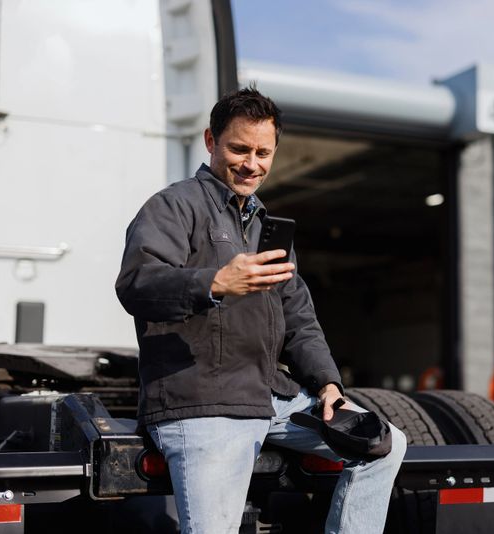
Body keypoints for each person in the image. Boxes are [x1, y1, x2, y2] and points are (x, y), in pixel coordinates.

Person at [116, 86, 406, 533]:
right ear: (211, 141)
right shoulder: (173, 207)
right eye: (239, 149)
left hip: (269, 398)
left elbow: (299, 319)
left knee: (384, 444)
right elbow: (136, 284)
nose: (252, 164)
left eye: (263, 152)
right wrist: (215, 282)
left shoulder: (268, 227)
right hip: (202, 402)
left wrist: (328, 384)